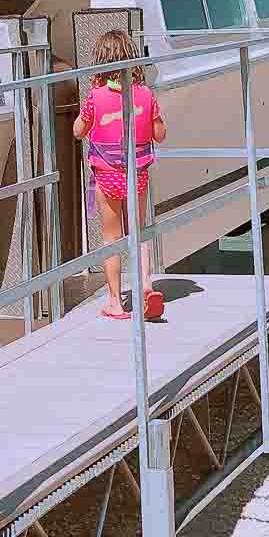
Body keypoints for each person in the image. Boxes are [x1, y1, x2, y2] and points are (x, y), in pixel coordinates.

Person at [73, 28, 168, 320]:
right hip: (136, 174)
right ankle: (146, 288)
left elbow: (78, 131)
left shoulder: (95, 97)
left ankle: (115, 301)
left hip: (107, 176)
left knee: (112, 239)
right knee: (139, 233)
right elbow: (160, 134)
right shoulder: (144, 95)